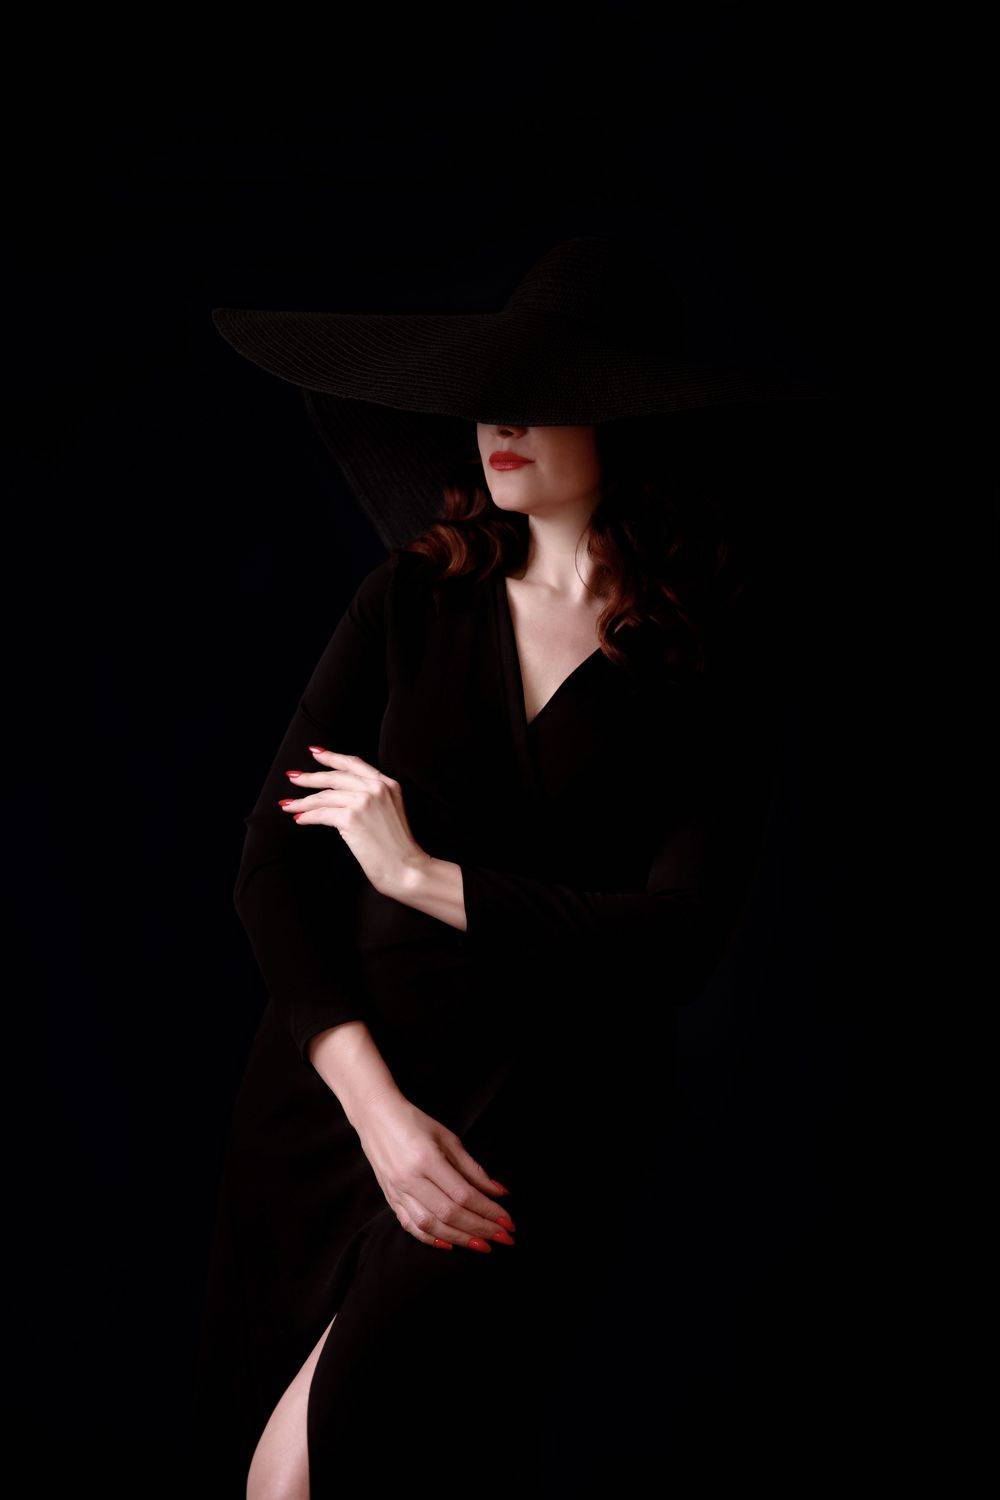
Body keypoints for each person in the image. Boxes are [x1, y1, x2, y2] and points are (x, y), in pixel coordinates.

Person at [194, 237, 829, 1497]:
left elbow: (676, 939)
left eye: (545, 393)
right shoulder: (408, 601)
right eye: (491, 393)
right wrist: (376, 1115)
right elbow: (269, 869)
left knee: (313, 1469)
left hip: (535, 1120)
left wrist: (419, 876)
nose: (501, 422)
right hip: (331, 1108)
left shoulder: (700, 666)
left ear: (628, 418)